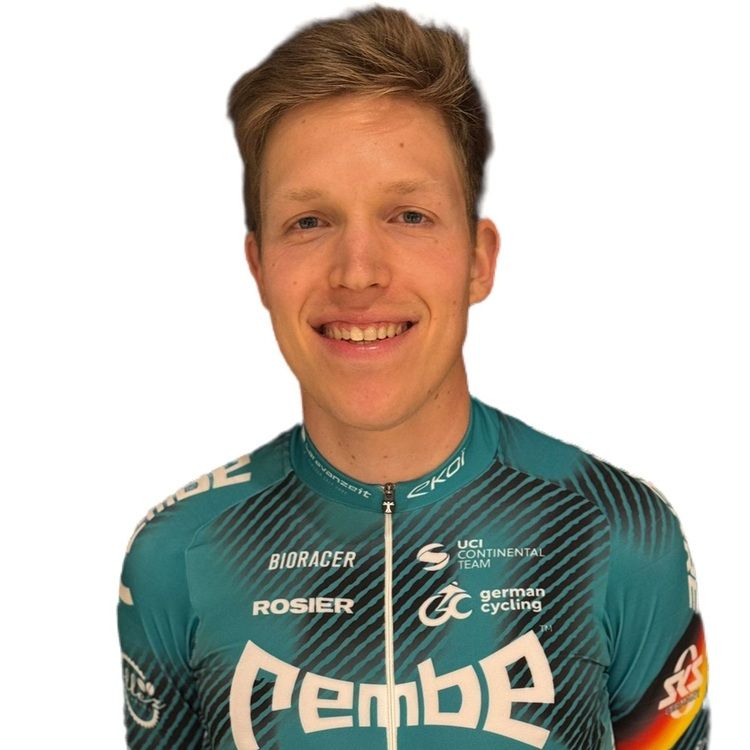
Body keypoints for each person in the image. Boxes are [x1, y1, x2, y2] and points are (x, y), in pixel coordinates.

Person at [117, 7, 709, 749]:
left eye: (409, 216)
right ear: (259, 266)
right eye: (309, 222)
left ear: (478, 260)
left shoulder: (618, 531)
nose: (358, 272)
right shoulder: (178, 553)